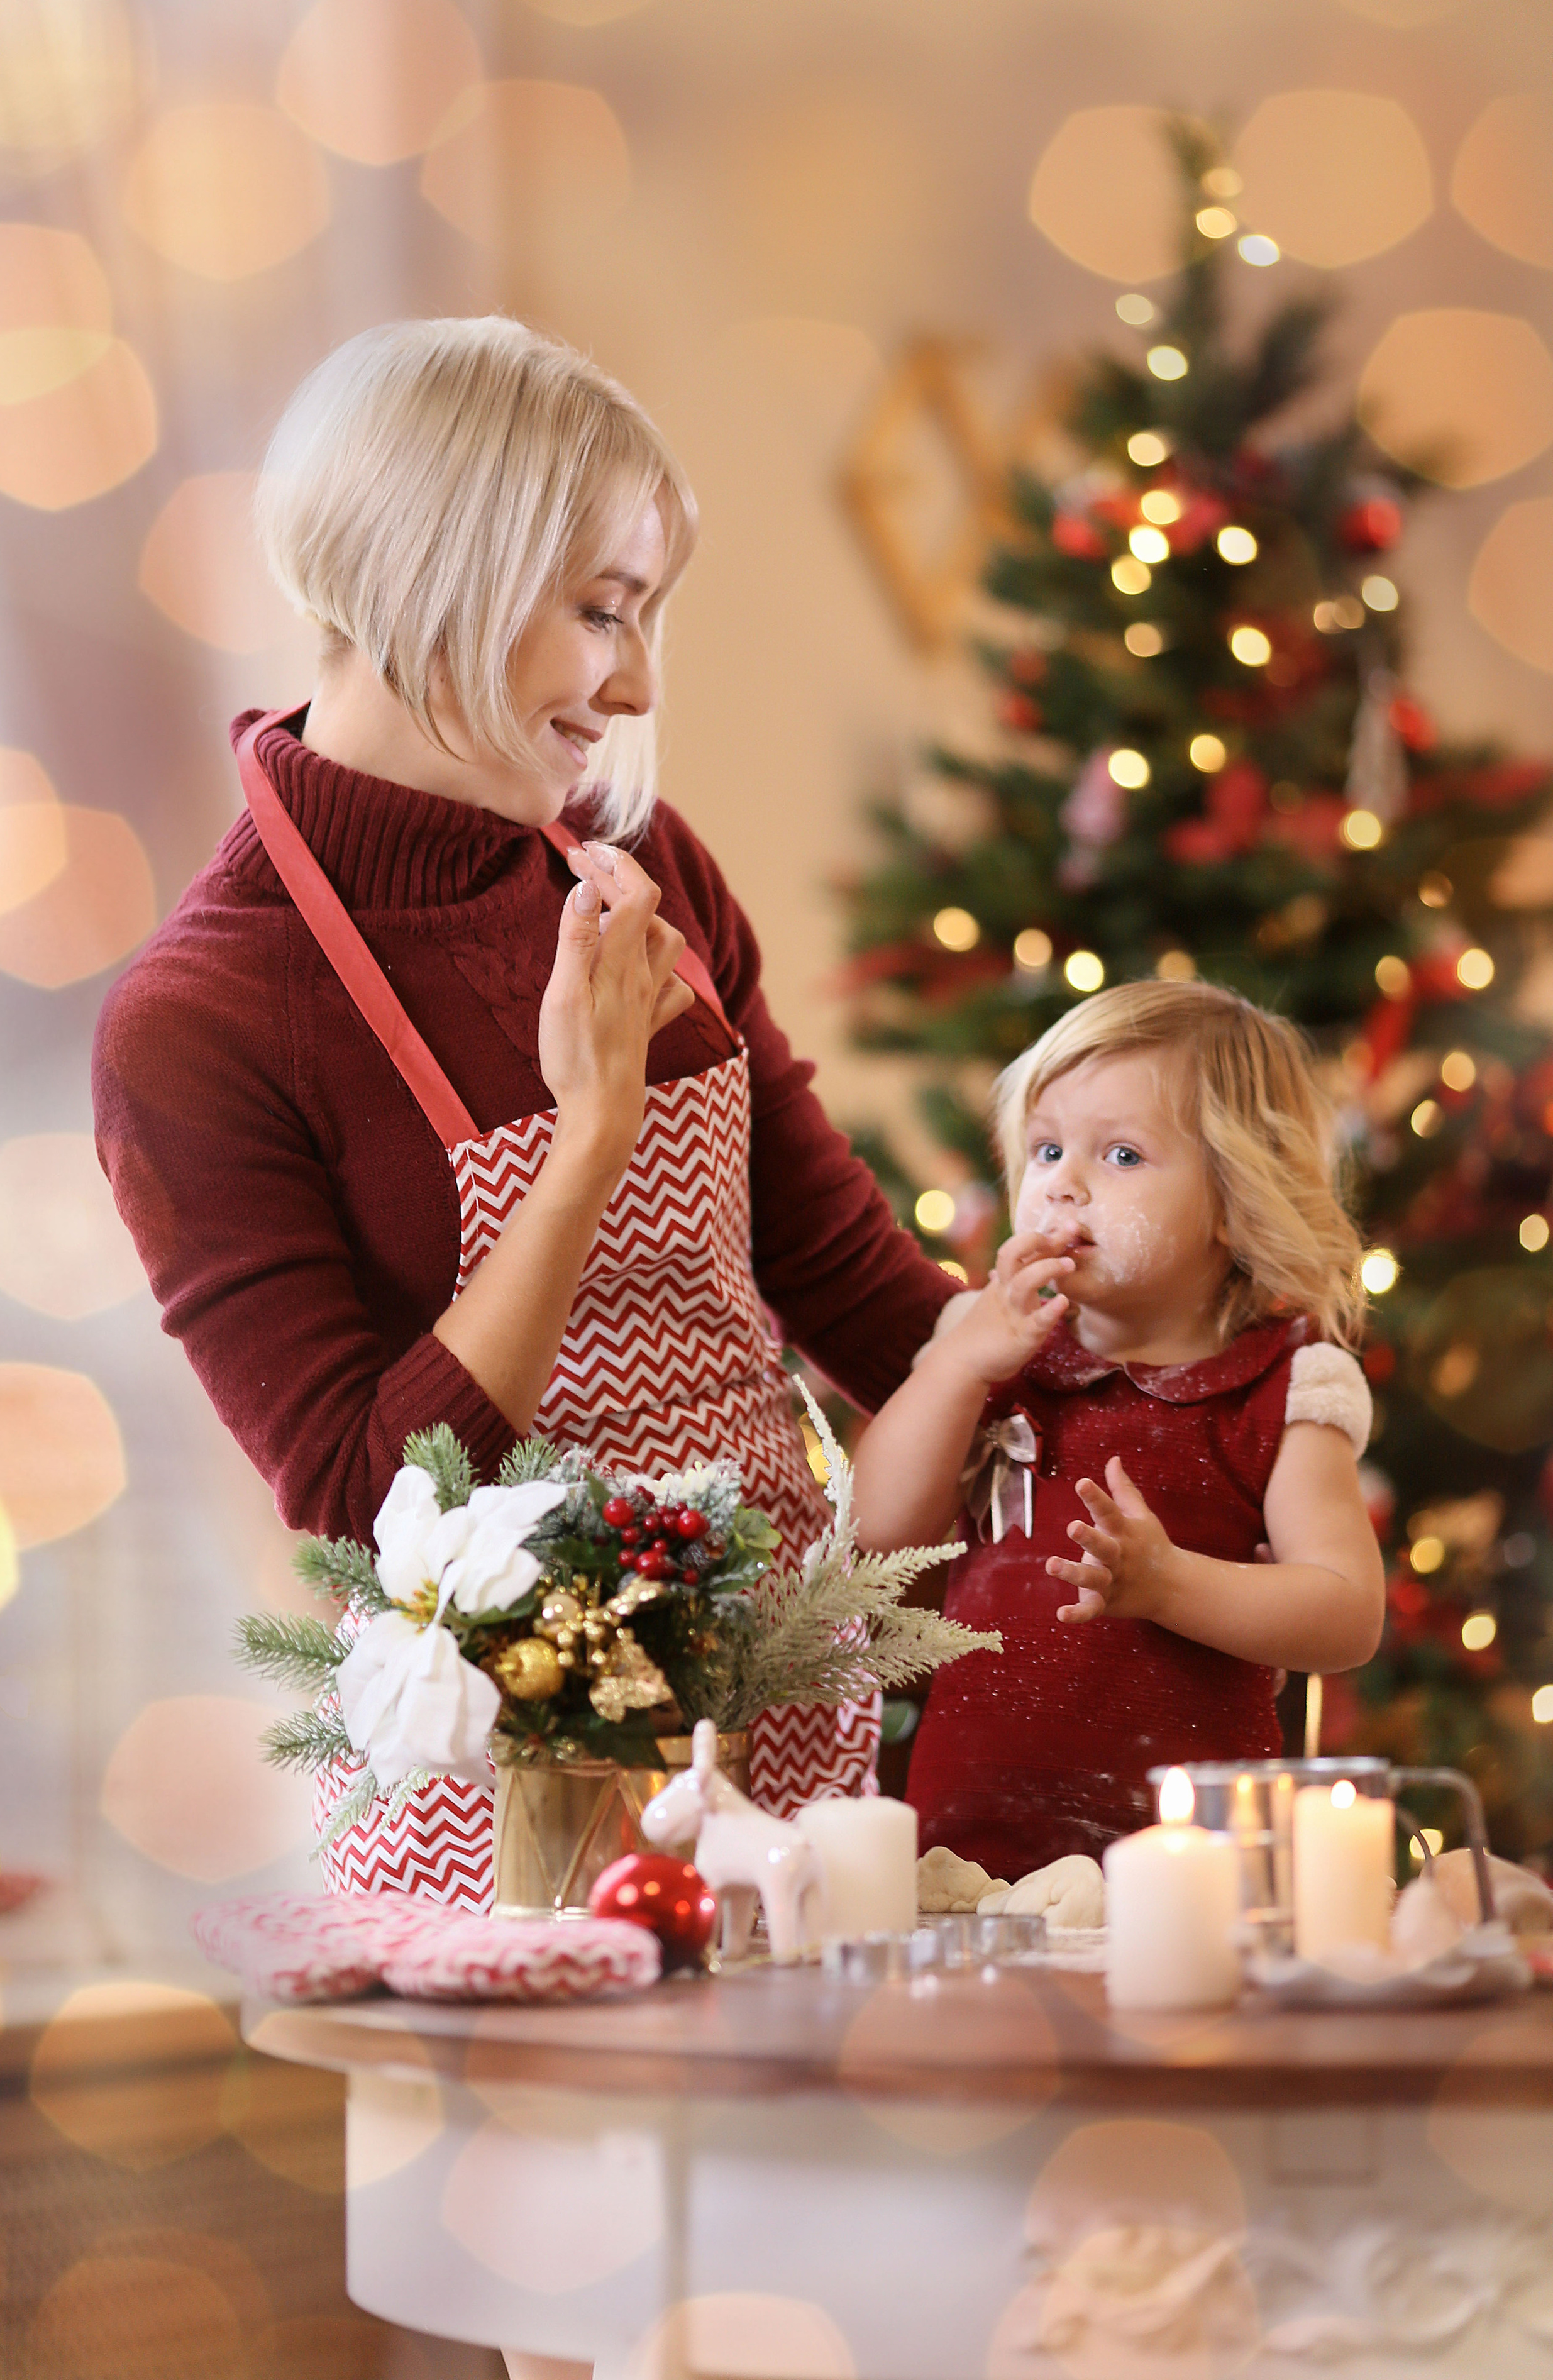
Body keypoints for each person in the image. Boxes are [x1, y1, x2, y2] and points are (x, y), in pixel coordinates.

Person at [92, 316, 957, 1907]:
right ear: (444, 574)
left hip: (781, 1754)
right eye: (599, 613)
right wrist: (588, 1142)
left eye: (644, 619)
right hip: (501, 1818)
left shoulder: (646, 874)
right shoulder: (202, 1022)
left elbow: (850, 1284)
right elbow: (369, 1496)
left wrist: (1173, 1382)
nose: (630, 684)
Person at [852, 979, 1386, 1881]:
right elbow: (877, 1532)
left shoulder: (1283, 1389)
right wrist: (954, 1364)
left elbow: (1346, 1614)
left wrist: (1171, 1584)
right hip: (971, 1849)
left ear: (1234, 1200)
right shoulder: (993, 1352)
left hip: (1188, 1870)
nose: (1063, 1181)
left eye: (1123, 1155)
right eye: (1049, 1148)